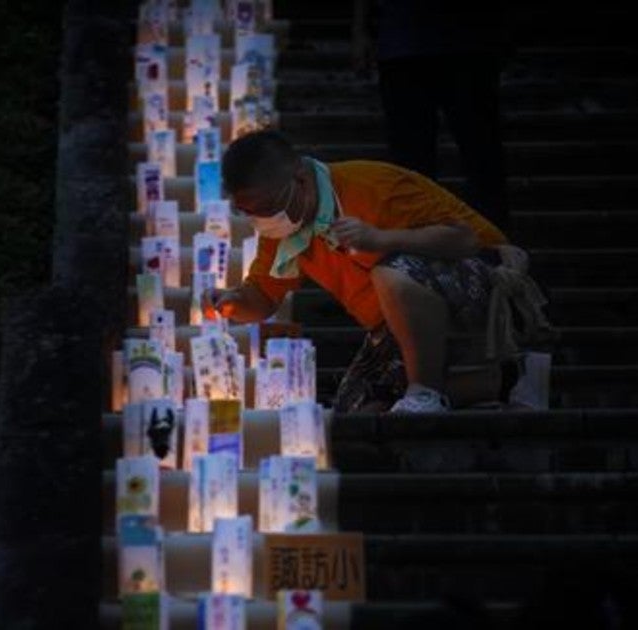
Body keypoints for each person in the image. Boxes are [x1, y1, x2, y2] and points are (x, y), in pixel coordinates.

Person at [206, 130, 544, 413]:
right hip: (394, 326)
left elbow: (466, 240)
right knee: (357, 409)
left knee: (391, 272)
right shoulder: (282, 233)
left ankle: (425, 391)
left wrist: (381, 238)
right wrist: (232, 300)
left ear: (301, 180)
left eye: (267, 208)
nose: (262, 219)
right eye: (249, 212)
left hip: (485, 282)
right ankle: (506, 380)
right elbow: (263, 298)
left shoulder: (370, 186)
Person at [353, 0, 512, 232]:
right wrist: (360, 30)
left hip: (464, 41)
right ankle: (420, 243)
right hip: (407, 43)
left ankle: (495, 243)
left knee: (481, 155)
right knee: (413, 162)